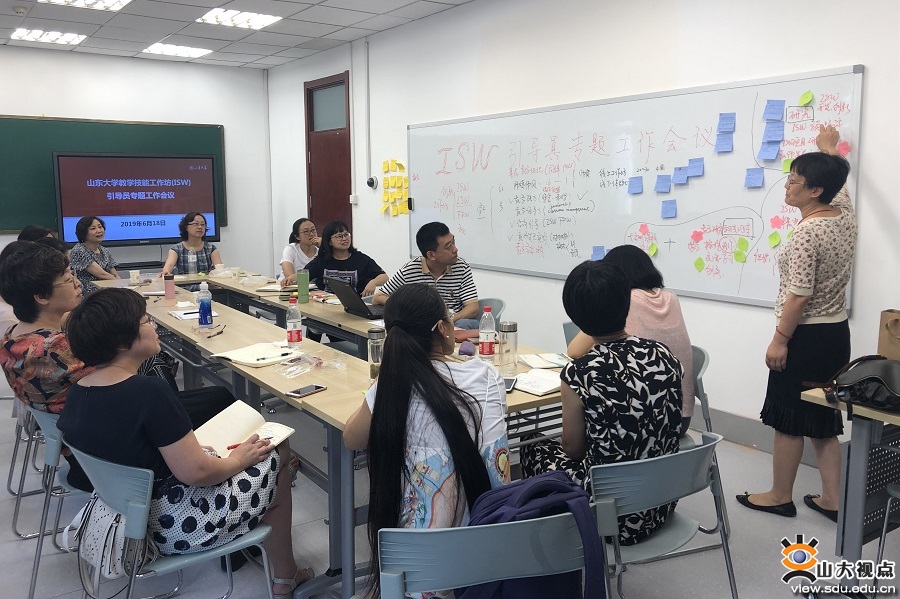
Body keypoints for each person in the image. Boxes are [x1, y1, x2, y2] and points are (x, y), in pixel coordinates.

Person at [57, 288, 313, 598]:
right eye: (145, 321)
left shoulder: (79, 391)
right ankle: (285, 575)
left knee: (245, 461)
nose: (153, 325)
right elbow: (196, 473)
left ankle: (278, 561)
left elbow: (132, 450)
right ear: (123, 343)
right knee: (274, 448)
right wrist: (238, 460)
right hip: (175, 525)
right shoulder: (148, 392)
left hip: (125, 515)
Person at [343, 283, 510, 599]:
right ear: (443, 328)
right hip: (490, 546)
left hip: (420, 566)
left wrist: (379, 384)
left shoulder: (391, 384)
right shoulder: (487, 377)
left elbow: (351, 438)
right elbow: (496, 457)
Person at [736, 125, 856, 522]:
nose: (787, 186)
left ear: (816, 191)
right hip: (835, 334)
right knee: (823, 418)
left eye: (795, 182)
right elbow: (841, 185)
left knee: (788, 417)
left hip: (804, 336)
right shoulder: (844, 215)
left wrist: (779, 340)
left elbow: (799, 296)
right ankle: (833, 500)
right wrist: (829, 150)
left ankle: (779, 496)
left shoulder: (808, 232)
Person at [520, 260, 683, 545]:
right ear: (626, 305)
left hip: (612, 518)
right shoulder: (663, 353)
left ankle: (557, 539)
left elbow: (573, 450)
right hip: (662, 501)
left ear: (576, 317)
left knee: (532, 444)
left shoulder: (579, 372)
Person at [567, 244, 695, 434]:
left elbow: (574, 351)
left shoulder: (627, 299)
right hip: (678, 418)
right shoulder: (670, 297)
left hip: (636, 426)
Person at [373, 221, 481, 329]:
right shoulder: (410, 270)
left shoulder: (461, 267)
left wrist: (449, 320)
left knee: (463, 324)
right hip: (422, 325)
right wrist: (406, 307)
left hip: (452, 324)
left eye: (454, 242)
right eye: (448, 247)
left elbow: (473, 307)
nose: (455, 249)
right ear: (431, 255)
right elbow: (378, 297)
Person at [305, 220, 387, 296]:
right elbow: (302, 276)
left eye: (346, 235)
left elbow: (384, 277)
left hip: (354, 305)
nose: (344, 239)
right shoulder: (322, 260)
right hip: (325, 304)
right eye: (339, 236)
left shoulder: (361, 259)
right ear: (329, 241)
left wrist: (373, 282)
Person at [160, 212, 222, 277]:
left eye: (203, 224)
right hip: (185, 283)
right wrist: (166, 272)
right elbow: (169, 266)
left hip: (206, 283)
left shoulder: (211, 249)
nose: (200, 227)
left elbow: (220, 270)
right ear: (186, 227)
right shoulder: (176, 249)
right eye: (196, 224)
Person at [69, 216, 118, 296]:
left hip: (106, 291)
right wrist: (121, 286)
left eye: (100, 227)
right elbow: (102, 275)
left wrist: (125, 287)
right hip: (89, 295)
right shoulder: (79, 250)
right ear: (84, 233)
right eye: (93, 228)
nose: (99, 231)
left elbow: (114, 274)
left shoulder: (104, 250)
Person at [279, 218, 321, 286]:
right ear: (297, 236)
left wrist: (323, 246)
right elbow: (289, 277)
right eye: (306, 231)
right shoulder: (291, 249)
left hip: (313, 289)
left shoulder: (320, 252)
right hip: (289, 287)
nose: (311, 234)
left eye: (313, 230)